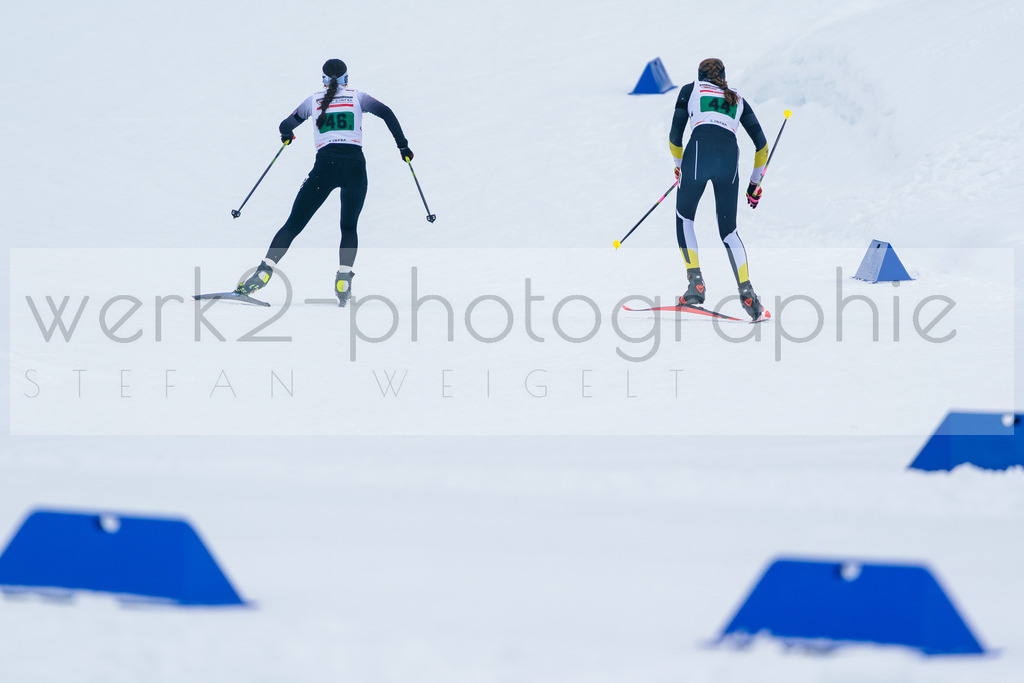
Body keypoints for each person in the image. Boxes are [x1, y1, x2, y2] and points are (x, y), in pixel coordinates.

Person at [235, 58, 413, 306]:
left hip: (325, 168)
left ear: (323, 79)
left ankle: (264, 271)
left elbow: (286, 123)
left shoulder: (313, 100)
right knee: (349, 227)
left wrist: (288, 133)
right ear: (347, 79)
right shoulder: (358, 97)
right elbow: (387, 113)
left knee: (293, 225)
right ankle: (343, 278)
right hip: (355, 169)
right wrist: (403, 146)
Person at [668, 58, 769, 320]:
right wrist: (754, 185)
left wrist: (680, 167)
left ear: (700, 76)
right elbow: (762, 146)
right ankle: (748, 295)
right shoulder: (737, 97)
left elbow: (674, 137)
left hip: (699, 154)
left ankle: (695, 285)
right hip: (728, 161)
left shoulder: (690, 90)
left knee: (684, 218)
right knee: (729, 231)